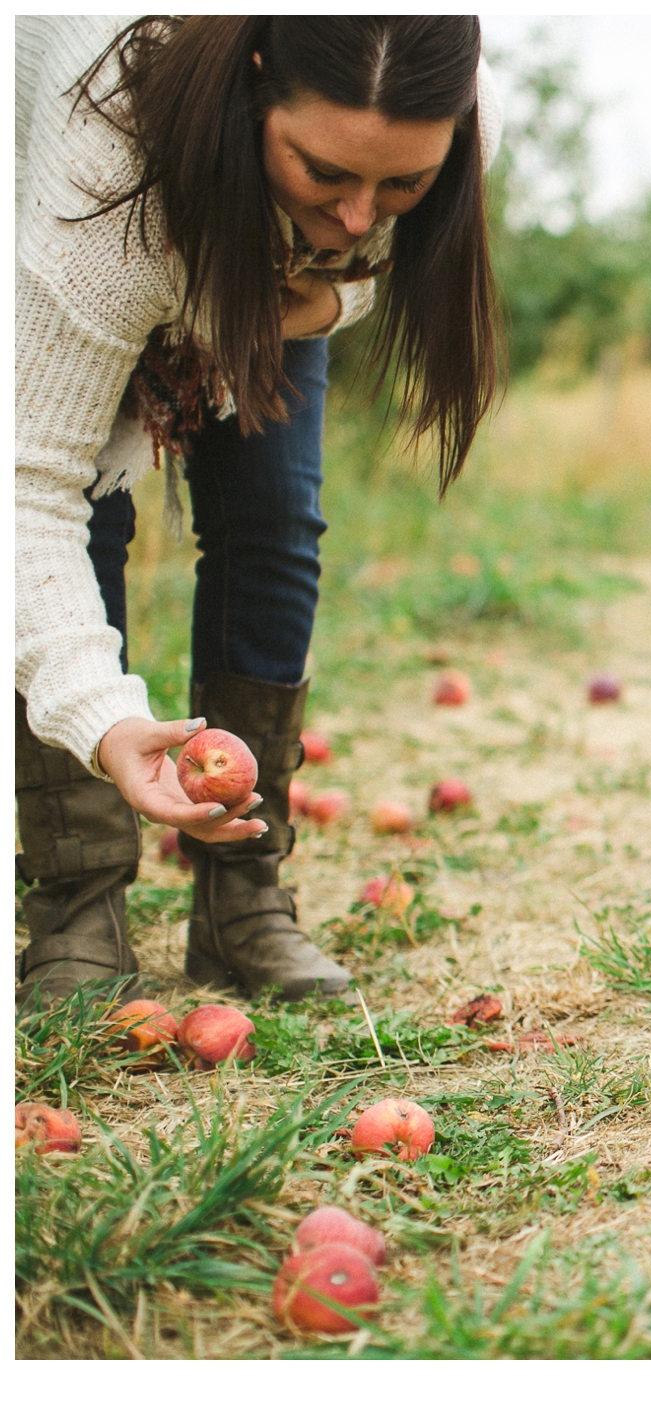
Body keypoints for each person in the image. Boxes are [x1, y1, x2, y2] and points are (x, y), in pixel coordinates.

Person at [14, 16, 501, 1006]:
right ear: (254, 87)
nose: (363, 215)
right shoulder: (105, 161)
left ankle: (242, 892)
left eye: (400, 185)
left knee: (276, 521)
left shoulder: (422, 109)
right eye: (325, 171)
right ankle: (76, 897)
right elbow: (27, 487)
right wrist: (104, 717)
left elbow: (368, 266)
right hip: (115, 217)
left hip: (277, 276)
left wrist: (317, 304)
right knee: (91, 518)